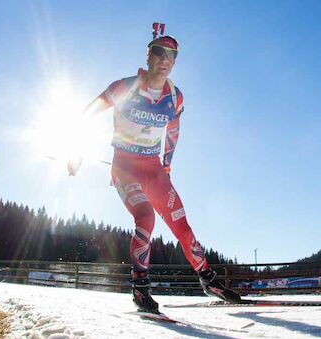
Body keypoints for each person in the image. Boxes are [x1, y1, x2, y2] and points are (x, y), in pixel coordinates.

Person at [68, 33, 241, 313]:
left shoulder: (175, 96)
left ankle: (209, 281)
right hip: (124, 167)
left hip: (154, 169)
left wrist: (168, 165)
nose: (165, 61)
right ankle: (140, 289)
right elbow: (87, 113)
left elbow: (173, 131)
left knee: (182, 227)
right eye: (159, 53)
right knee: (145, 218)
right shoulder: (125, 87)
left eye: (172, 56)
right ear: (148, 57)